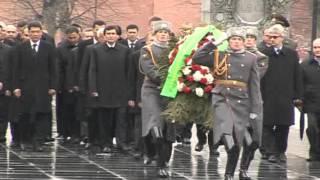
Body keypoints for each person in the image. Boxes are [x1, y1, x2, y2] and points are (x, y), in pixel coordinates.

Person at [193, 26, 261, 180]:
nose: (236, 42)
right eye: (233, 39)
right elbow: (198, 57)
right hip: (222, 99)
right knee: (231, 139)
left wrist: (255, 108)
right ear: (228, 41)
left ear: (243, 42)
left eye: (239, 39)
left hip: (242, 101)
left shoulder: (251, 58)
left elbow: (254, 86)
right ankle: (229, 174)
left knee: (250, 142)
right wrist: (216, 42)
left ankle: (243, 170)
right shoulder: (220, 54)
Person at [260, 24, 303, 163]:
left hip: (285, 95)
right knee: (267, 125)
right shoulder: (264, 54)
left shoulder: (291, 54)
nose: (272, 40)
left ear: (282, 38)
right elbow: (259, 76)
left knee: (283, 125)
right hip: (268, 95)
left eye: (275, 37)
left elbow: (297, 75)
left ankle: (280, 151)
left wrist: (298, 95)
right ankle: (271, 151)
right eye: (270, 37)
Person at [13, 21, 57, 151]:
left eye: (38, 32)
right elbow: (16, 69)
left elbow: (53, 68)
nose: (35, 34)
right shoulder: (21, 48)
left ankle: (38, 141)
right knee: (25, 114)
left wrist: (53, 86)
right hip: (25, 87)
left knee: (41, 114)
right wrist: (16, 87)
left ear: (41, 32)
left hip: (43, 87)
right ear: (28, 33)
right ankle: (25, 140)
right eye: (32, 32)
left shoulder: (48, 47)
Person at [139, 21, 175, 178]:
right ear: (154, 35)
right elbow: (150, 70)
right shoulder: (147, 50)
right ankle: (158, 161)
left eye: (166, 32)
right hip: (152, 90)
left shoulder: (175, 50)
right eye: (160, 32)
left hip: (171, 91)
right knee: (155, 123)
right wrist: (169, 79)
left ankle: (164, 158)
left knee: (169, 126)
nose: (163, 35)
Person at [88, 25, 130, 153]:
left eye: (113, 33)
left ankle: (121, 143)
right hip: (103, 89)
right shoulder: (96, 50)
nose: (111, 36)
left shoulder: (125, 50)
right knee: (104, 119)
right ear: (104, 36)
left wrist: (128, 90)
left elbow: (128, 71)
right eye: (108, 33)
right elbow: (92, 70)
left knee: (121, 119)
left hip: (120, 90)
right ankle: (105, 143)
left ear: (118, 36)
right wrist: (93, 88)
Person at [301, 38, 320, 161]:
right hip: (311, 102)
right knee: (312, 127)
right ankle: (315, 152)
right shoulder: (305, 64)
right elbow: (300, 82)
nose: (317, 50)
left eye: (319, 47)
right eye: (315, 47)